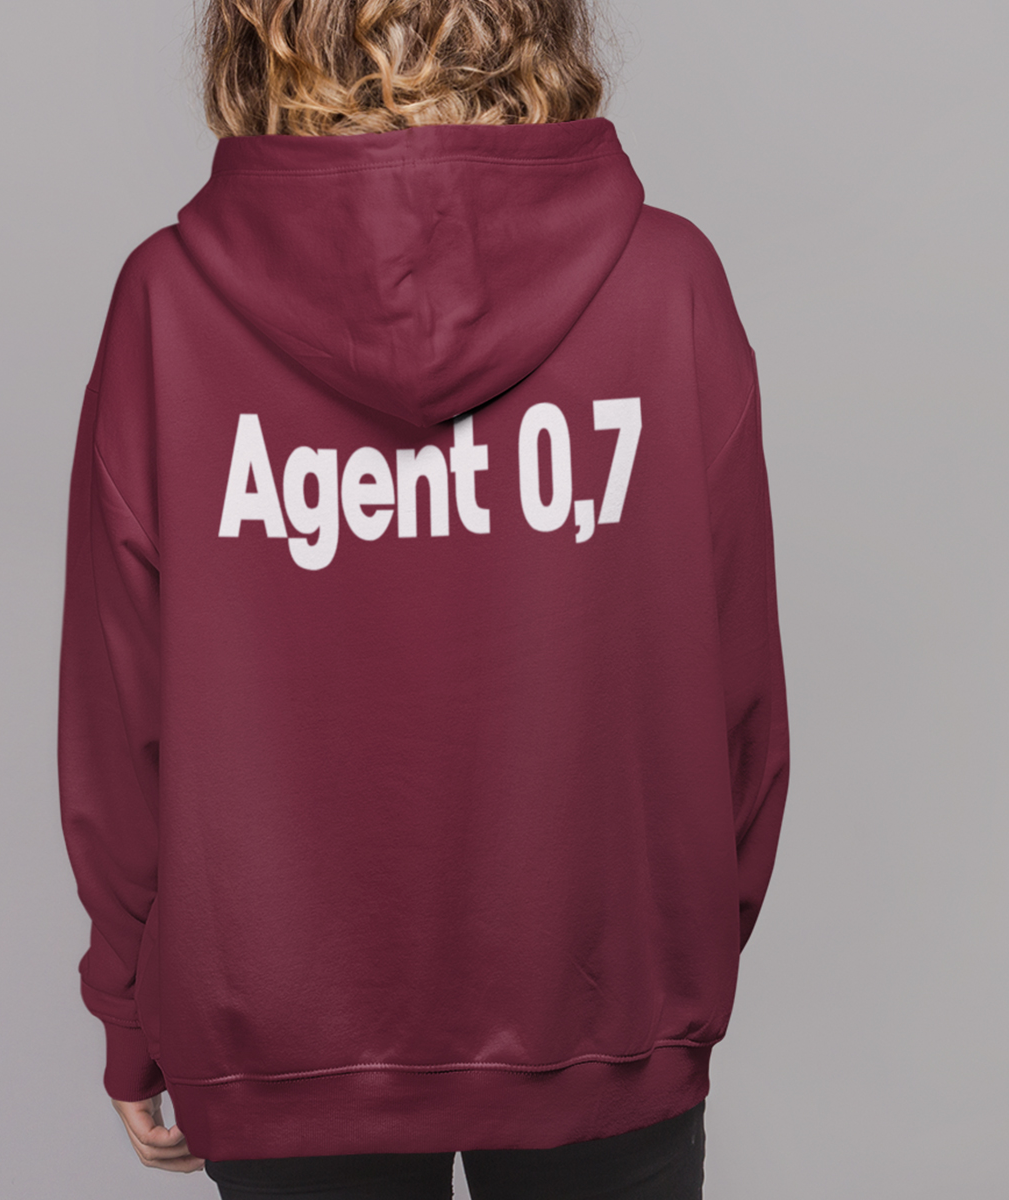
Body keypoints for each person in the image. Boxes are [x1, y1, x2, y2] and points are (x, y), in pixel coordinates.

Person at [56, 0, 790, 1195]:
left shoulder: (168, 303)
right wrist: (672, 979)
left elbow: (116, 715)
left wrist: (131, 1005)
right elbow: (739, 698)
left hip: (279, 1030)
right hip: (603, 1006)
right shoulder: (669, 284)